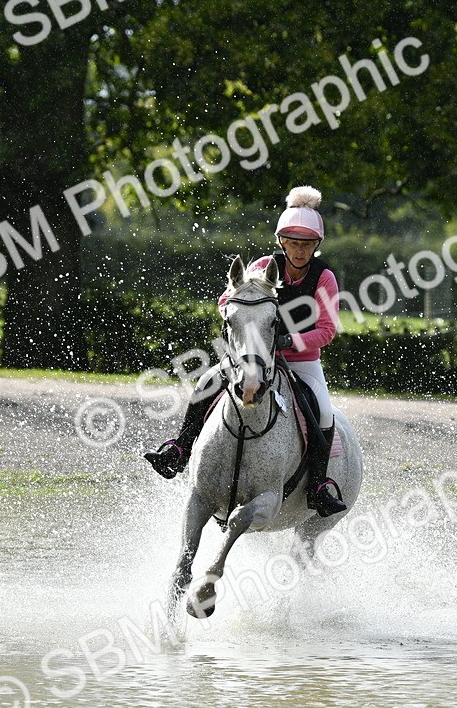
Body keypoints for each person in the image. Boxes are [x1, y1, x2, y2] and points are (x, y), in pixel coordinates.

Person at [143, 186, 347, 517]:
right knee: (205, 383)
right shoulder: (265, 265)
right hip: (253, 357)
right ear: (282, 242)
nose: (299, 251)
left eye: (306, 245)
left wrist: (287, 342)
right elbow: (228, 300)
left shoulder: (324, 278)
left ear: (316, 246)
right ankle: (179, 449)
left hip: (302, 363)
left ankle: (319, 486)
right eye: (293, 243)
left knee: (323, 413)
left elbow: (327, 331)